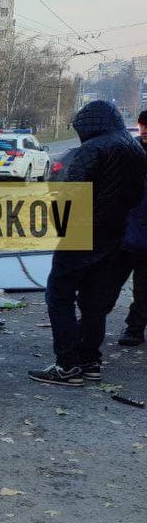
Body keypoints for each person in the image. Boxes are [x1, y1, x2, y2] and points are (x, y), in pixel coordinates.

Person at [29, 100, 147, 386]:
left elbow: (69, 192)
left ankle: (67, 365)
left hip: (81, 234)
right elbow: (135, 195)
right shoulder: (135, 150)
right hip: (113, 236)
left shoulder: (92, 149)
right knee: (94, 302)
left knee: (59, 296)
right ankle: (90, 360)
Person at [112, 109, 147, 346]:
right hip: (123, 232)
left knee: (143, 289)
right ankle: (91, 322)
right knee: (107, 283)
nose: (145, 130)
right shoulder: (129, 150)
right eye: (143, 125)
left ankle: (135, 328)